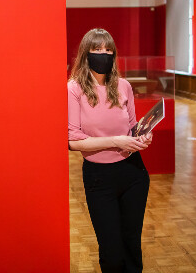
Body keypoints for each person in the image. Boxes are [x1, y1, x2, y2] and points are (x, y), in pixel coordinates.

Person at [68, 28, 152, 273]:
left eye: (108, 50)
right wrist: (117, 141)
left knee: (132, 247)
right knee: (112, 252)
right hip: (99, 177)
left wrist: (143, 135)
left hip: (133, 173)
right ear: (86, 53)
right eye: (97, 49)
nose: (103, 54)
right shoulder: (74, 88)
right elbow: (73, 141)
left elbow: (133, 126)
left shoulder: (123, 86)